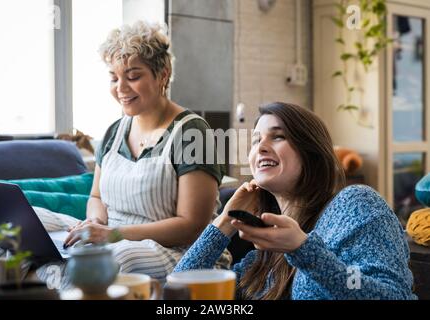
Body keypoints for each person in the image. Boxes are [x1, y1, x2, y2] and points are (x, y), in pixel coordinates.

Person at [0, 21, 229, 285]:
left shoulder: (192, 133)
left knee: (110, 259)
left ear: (163, 74)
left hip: (174, 250)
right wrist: (95, 222)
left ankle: (37, 279)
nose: (120, 88)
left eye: (133, 76)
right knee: (17, 222)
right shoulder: (113, 132)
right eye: (114, 77)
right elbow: (96, 196)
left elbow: (192, 226)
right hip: (109, 236)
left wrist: (113, 233)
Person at [173, 102, 417, 300]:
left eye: (278, 137)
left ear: (311, 154)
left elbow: (392, 296)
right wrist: (225, 221)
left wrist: (303, 250)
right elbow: (181, 291)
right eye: (256, 140)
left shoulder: (355, 205)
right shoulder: (264, 256)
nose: (261, 147)